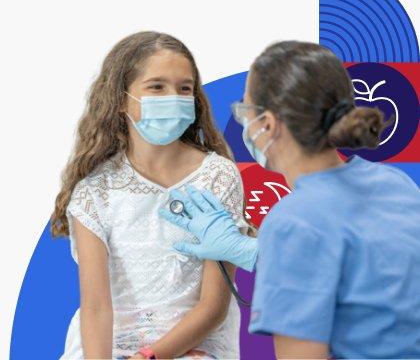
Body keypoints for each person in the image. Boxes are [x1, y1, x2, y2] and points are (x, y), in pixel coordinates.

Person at [159, 41, 420, 358]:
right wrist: (261, 253)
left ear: (267, 124)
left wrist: (276, 248)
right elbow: (367, 276)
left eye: (246, 112)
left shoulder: (292, 222)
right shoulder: (396, 184)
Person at [51, 31, 251, 359]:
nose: (172, 96)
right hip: (109, 343)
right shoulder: (94, 192)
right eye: (157, 86)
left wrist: (148, 357)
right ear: (120, 99)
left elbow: (214, 306)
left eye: (184, 88)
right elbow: (97, 307)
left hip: (194, 343)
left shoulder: (217, 177)